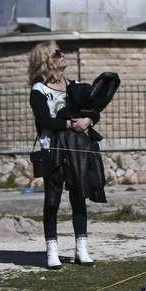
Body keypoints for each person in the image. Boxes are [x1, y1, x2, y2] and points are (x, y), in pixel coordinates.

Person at [28, 41, 118, 269]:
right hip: (53, 150)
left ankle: (81, 248)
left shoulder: (75, 86)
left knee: (79, 195)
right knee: (52, 200)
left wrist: (88, 120)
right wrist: (69, 123)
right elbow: (44, 121)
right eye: (57, 53)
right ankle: (52, 250)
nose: (63, 54)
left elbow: (94, 109)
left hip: (78, 149)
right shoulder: (40, 91)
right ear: (47, 60)